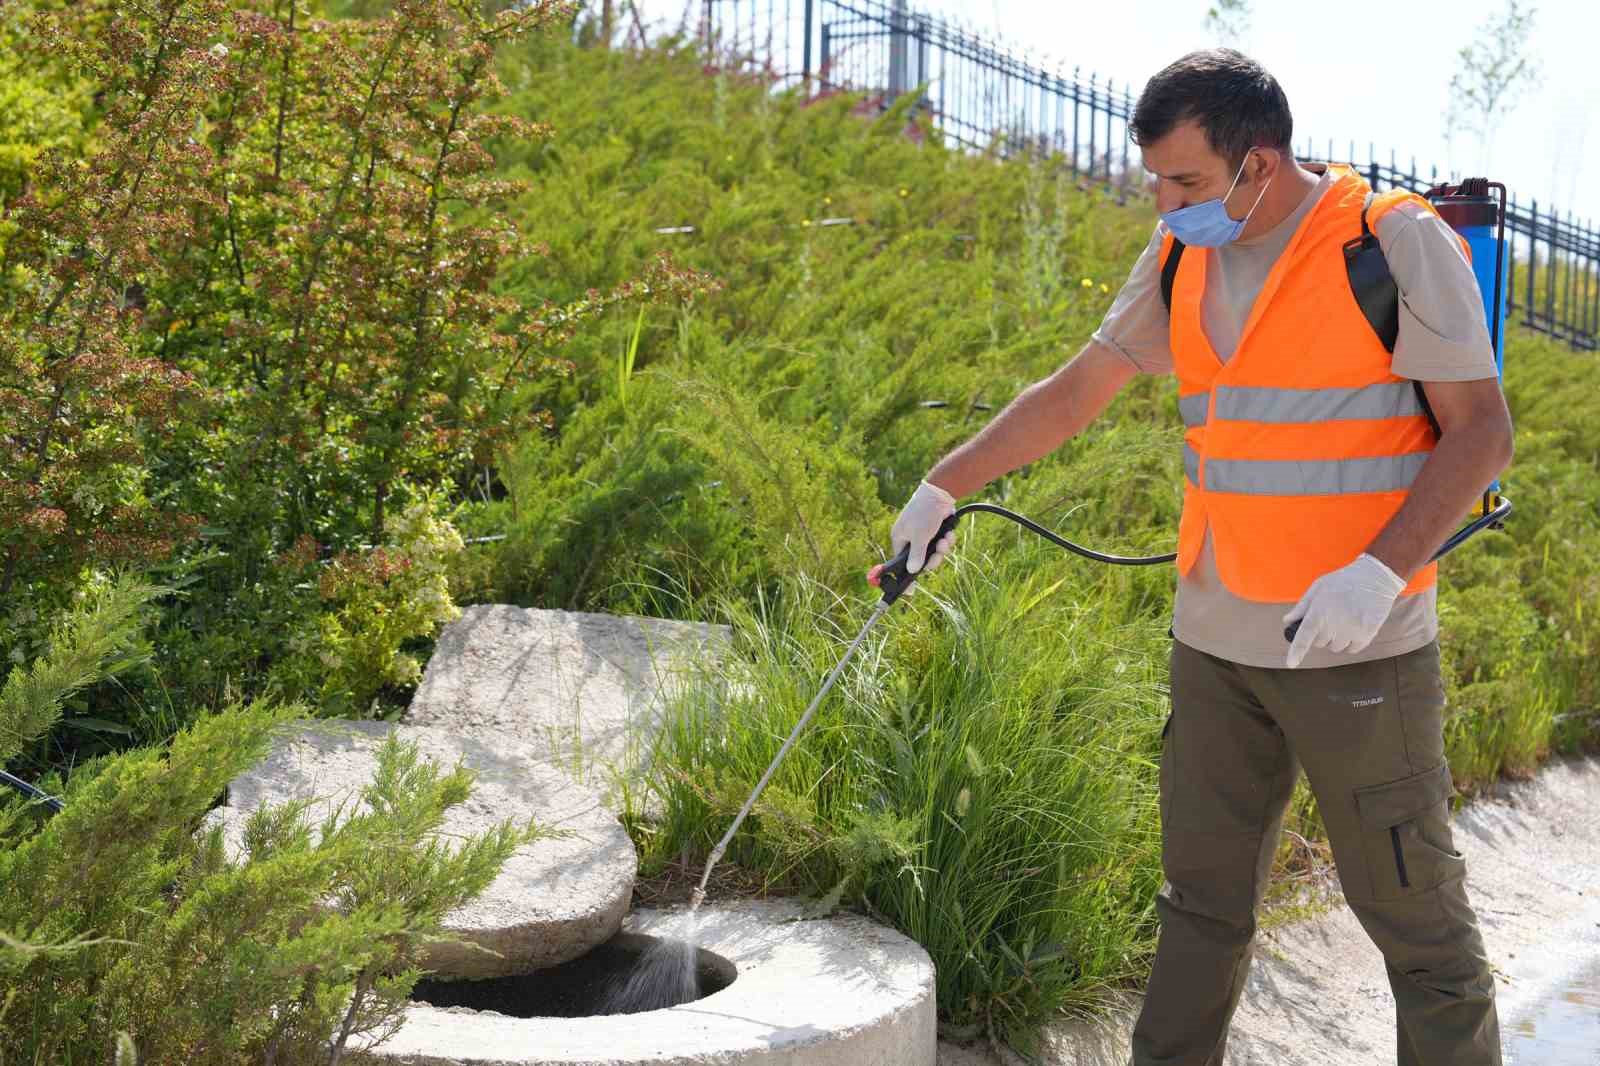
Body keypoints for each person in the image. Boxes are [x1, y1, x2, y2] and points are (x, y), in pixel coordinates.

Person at [890, 48, 1512, 1066]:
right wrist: (945, 482)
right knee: (1198, 913)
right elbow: (1076, 388)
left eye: (1183, 181)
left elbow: (1481, 433)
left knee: (1420, 929)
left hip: (1359, 651)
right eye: (1156, 181)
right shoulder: (1182, 253)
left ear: (1256, 164)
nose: (1165, 201)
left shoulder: (1389, 243)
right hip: (1215, 644)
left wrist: (1376, 572)